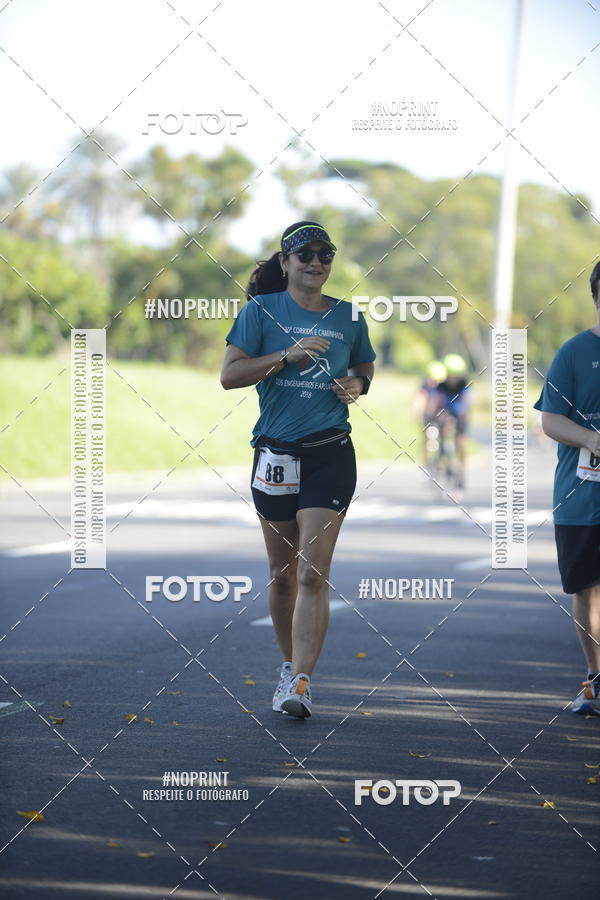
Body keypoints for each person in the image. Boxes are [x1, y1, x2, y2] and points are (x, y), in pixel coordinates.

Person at [220, 221, 376, 718]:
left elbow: (365, 368)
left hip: (330, 451)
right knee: (283, 575)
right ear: (284, 262)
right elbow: (229, 375)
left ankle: (301, 683)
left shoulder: (349, 317)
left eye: (324, 254)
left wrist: (357, 386)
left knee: (313, 573)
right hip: (275, 454)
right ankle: (288, 667)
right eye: (304, 254)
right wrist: (285, 356)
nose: (316, 262)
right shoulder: (260, 312)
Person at [534, 261, 600, 715]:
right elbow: (551, 419)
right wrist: (592, 438)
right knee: (589, 589)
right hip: (582, 496)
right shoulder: (574, 353)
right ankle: (596, 678)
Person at [435, 353, 470, 488]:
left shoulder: (463, 385)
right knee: (443, 428)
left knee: (460, 442)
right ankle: (443, 456)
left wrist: (463, 413)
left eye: (456, 376)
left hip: (460, 414)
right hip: (446, 412)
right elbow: (437, 401)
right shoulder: (441, 385)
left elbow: (466, 402)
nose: (453, 379)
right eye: (451, 375)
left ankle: (461, 470)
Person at [415, 360, 446, 465]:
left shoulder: (444, 388)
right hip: (428, 416)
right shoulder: (425, 386)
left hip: (441, 416)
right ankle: (425, 464)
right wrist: (418, 412)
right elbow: (420, 400)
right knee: (425, 439)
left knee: (444, 434)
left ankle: (442, 459)